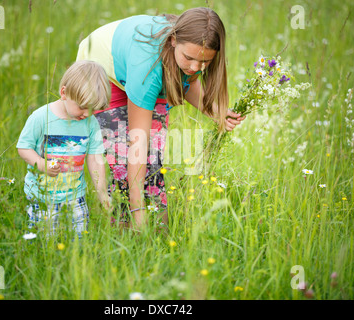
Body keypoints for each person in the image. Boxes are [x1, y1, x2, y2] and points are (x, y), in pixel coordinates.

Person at [76, 7, 245, 230]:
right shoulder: (147, 67)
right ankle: (126, 231)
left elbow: (189, 80)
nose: (195, 68)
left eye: (204, 63)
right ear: (173, 40)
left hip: (143, 66)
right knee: (123, 157)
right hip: (102, 70)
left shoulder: (191, 50)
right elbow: (138, 142)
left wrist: (215, 112)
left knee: (153, 160)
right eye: (190, 59)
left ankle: (159, 232)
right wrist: (138, 210)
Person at [17, 60, 111, 239]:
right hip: (42, 197)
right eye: (83, 108)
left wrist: (102, 192)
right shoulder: (41, 117)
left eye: (93, 110)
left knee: (79, 241)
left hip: (75, 197)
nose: (86, 114)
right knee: (44, 241)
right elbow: (23, 147)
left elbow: (95, 158)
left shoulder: (90, 123)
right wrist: (41, 164)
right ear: (64, 93)